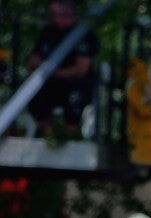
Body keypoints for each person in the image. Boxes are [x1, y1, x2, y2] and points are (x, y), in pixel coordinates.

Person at [25, 0, 96, 132]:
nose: (53, 17)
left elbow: (82, 69)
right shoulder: (48, 32)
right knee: (33, 97)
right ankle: (50, 136)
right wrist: (35, 65)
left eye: (56, 13)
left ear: (69, 11)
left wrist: (54, 72)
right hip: (51, 83)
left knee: (75, 101)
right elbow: (33, 61)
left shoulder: (83, 33)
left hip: (77, 83)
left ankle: (71, 136)